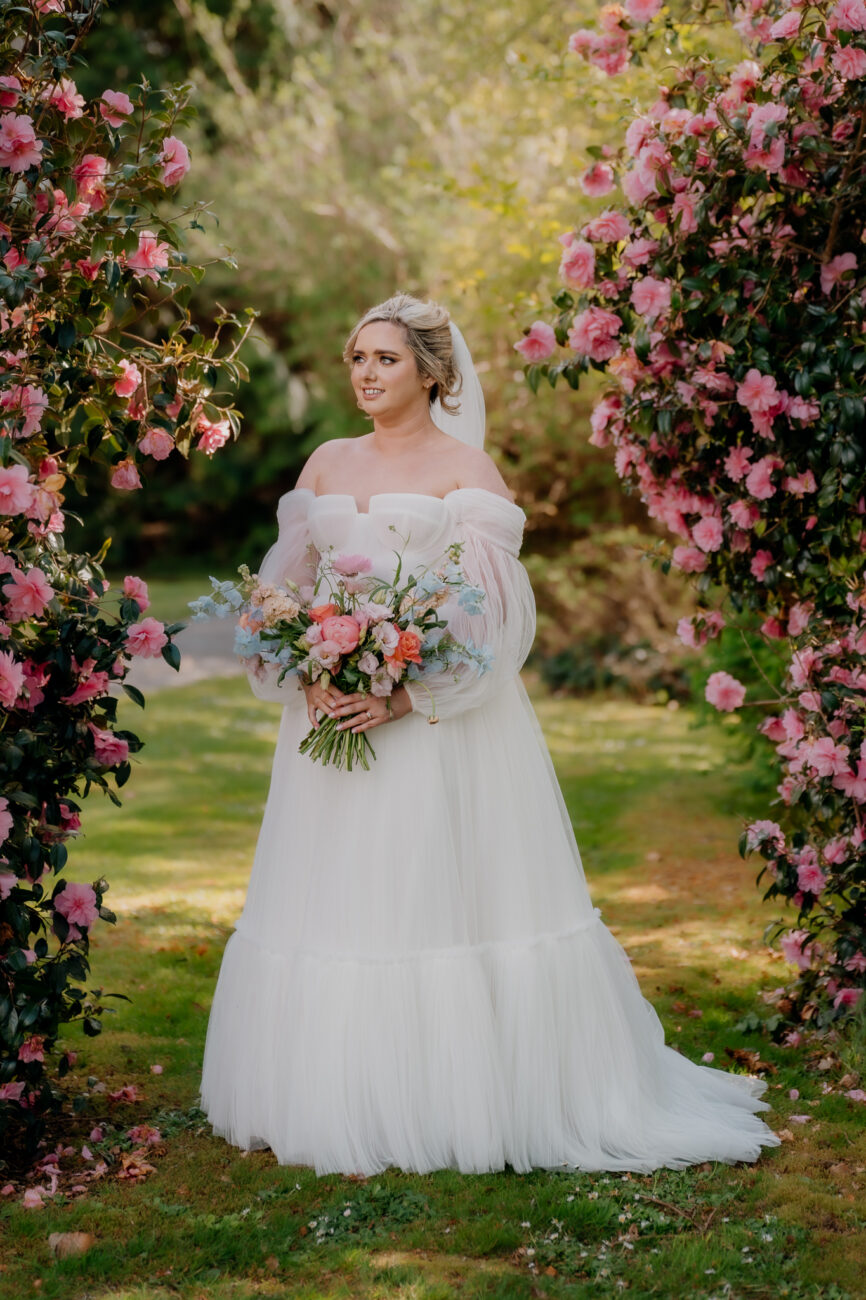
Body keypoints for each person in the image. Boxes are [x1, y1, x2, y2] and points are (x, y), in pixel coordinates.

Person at [198, 292, 781, 1176]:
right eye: (357, 357)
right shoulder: (324, 461)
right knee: (337, 896)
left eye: (385, 359)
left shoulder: (468, 471)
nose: (365, 372)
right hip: (330, 726)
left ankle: (455, 1097)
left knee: (424, 893)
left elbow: (495, 623)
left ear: (432, 373)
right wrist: (308, 660)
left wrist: (402, 692)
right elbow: (284, 584)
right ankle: (332, 1092)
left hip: (427, 725)